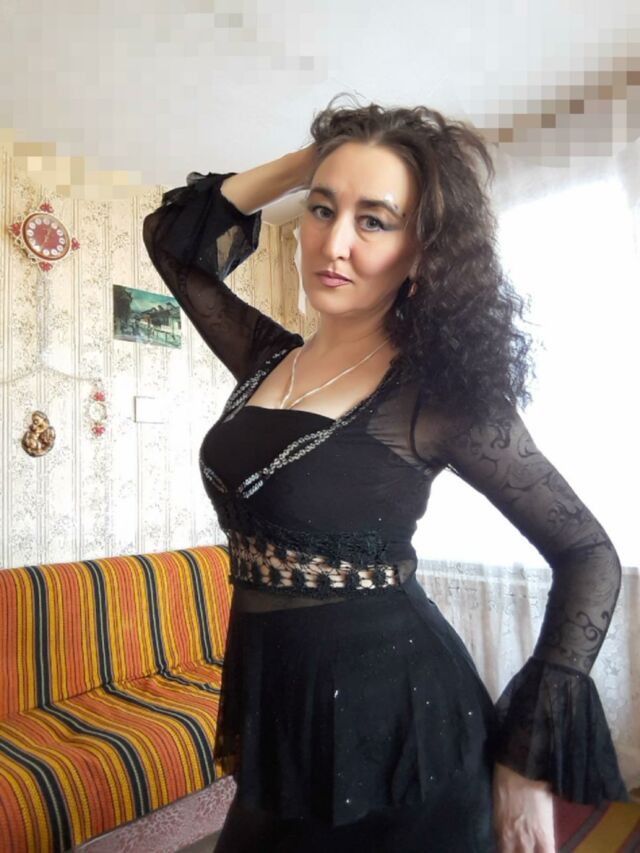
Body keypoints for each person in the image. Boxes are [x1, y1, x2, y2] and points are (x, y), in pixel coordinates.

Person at [142, 95, 627, 852]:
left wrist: (526, 758)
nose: (333, 243)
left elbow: (588, 554)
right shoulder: (267, 359)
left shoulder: (436, 397)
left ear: (422, 250)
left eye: (374, 220)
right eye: (322, 209)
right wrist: (317, 157)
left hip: (408, 729)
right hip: (285, 709)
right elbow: (172, 242)